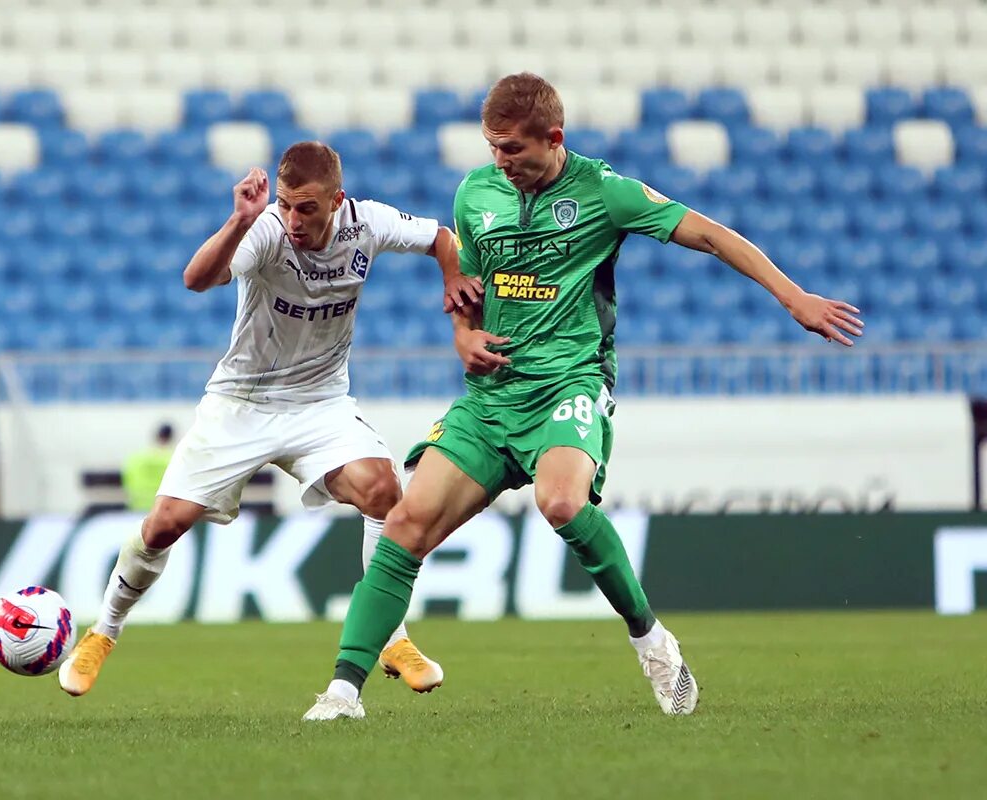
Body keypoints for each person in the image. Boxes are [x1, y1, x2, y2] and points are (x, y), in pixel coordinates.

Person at [303, 73, 864, 721]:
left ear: (554, 138)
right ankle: (343, 692)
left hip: (571, 382)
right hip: (492, 397)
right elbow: (469, 289)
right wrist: (463, 336)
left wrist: (794, 297)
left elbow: (709, 234)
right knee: (403, 527)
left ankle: (651, 640)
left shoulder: (604, 192)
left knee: (562, 502)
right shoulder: (476, 194)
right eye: (492, 147)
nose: (500, 162)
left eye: (513, 148)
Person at [58, 141, 483, 697]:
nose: (294, 218)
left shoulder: (368, 223)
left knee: (383, 488)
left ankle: (391, 636)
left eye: (306, 207)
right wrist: (241, 219)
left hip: (319, 404)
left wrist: (453, 280)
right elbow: (196, 279)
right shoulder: (265, 231)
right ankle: (103, 632)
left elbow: (441, 238)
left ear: (338, 200)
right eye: (285, 204)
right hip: (241, 404)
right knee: (164, 524)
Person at [120, 423, 176, 512]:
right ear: (171, 437)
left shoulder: (135, 458)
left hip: (137, 507)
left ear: (156, 436)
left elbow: (126, 481)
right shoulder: (175, 459)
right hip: (164, 510)